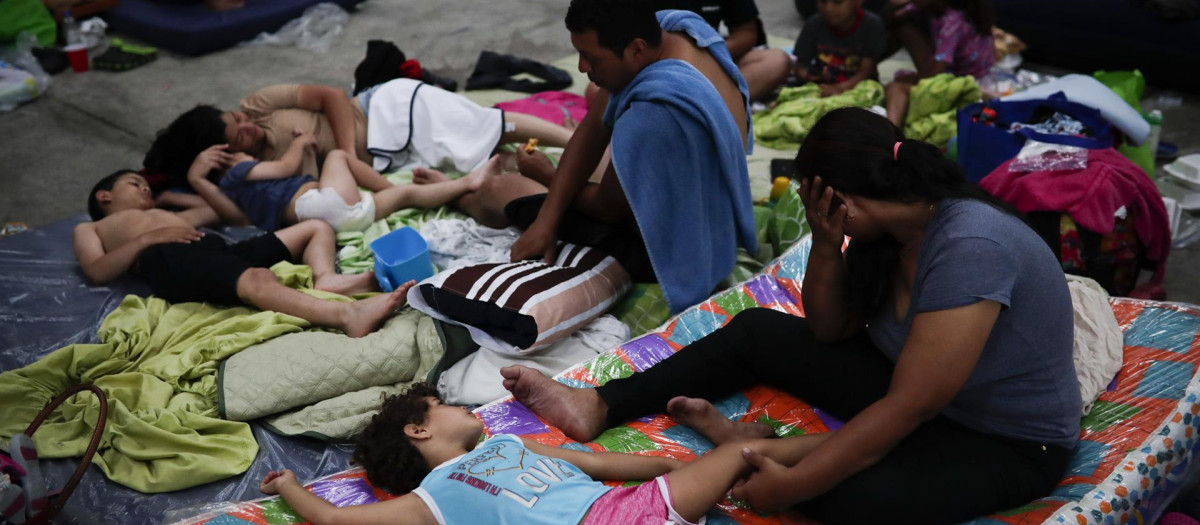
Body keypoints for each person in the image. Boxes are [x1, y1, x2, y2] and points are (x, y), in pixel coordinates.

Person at [500, 107, 1081, 524]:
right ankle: (602, 404)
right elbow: (829, 331)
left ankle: (746, 448)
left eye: (817, 204)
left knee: (857, 501)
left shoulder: (970, 246)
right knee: (757, 330)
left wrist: (794, 487)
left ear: (844, 198)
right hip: (921, 398)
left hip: (1002, 439)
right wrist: (827, 245)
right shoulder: (889, 234)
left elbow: (910, 406)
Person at [490, 0, 759, 315]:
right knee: (597, 155)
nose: (580, 67)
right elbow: (591, 129)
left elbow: (607, 209)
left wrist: (544, 175)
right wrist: (547, 220)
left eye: (591, 58)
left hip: (674, 247)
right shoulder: (678, 27)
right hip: (714, 209)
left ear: (636, 49)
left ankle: (465, 191)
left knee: (500, 190)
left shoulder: (654, 113)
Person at [258, 382, 807, 525]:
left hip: (631, 508)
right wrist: (287, 486)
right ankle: (856, 446)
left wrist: (671, 467)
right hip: (619, 515)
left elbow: (593, 464)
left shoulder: (509, 443)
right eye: (438, 403)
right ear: (418, 431)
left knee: (742, 459)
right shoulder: (432, 499)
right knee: (748, 452)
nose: (453, 406)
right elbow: (334, 516)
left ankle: (849, 449)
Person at [75, 170, 411, 338]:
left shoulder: (172, 217)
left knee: (316, 226)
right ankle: (343, 316)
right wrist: (145, 240)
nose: (145, 187)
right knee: (255, 278)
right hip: (168, 258)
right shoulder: (93, 228)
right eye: (135, 183)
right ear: (105, 196)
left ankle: (325, 279)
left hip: (216, 250)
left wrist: (184, 189)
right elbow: (97, 269)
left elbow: (225, 213)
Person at [143, 80, 575, 189]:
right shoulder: (246, 168)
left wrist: (347, 151)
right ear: (224, 150)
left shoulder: (258, 103)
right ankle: (563, 157)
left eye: (236, 117)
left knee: (484, 125)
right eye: (238, 133)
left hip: (380, 109)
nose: (246, 124)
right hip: (387, 160)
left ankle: (572, 140)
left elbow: (331, 95)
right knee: (473, 160)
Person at [185, 129, 488, 233]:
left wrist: (306, 149)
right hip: (324, 206)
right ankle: (390, 186)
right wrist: (299, 142)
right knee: (338, 157)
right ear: (227, 160)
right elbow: (284, 167)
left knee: (409, 194)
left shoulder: (245, 203)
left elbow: (308, 183)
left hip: (331, 217)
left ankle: (468, 184)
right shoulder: (237, 171)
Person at [651, 0, 792, 101]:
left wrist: (711, 53)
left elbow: (746, 32)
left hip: (709, 60)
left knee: (777, 61)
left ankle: (715, 103)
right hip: (656, 66)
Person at [883, 0, 995, 126]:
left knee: (896, 89)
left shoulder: (953, 20)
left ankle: (889, 134)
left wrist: (913, 79)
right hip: (953, 77)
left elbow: (935, 74)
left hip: (968, 85)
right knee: (901, 25)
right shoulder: (931, 8)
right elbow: (895, 13)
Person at [793, 0, 888, 97]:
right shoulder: (814, 24)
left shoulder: (871, 26)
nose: (828, 8)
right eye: (823, 1)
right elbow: (800, 64)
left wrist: (839, 88)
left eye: (838, 2)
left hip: (859, 89)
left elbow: (866, 72)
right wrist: (808, 75)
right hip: (821, 87)